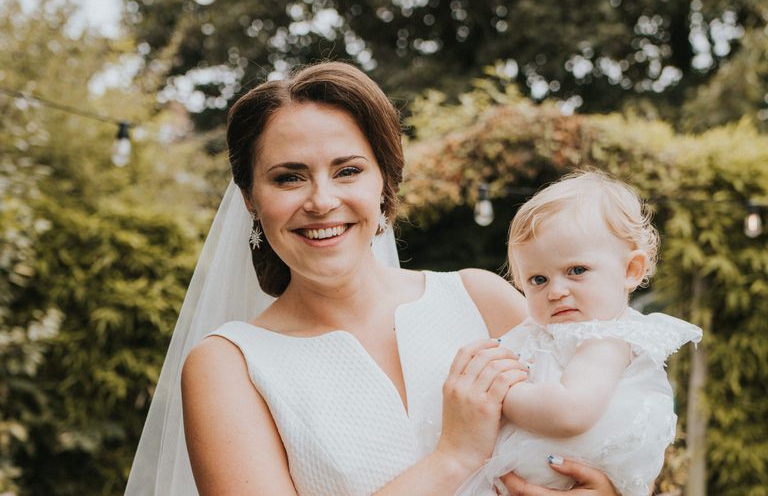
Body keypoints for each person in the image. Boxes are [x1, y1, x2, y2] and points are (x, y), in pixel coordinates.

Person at [125, 61, 622, 495]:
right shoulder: (228, 365)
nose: (321, 201)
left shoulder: (482, 300)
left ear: (384, 179)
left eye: (347, 171)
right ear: (251, 197)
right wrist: (454, 457)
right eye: (288, 177)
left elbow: (614, 428)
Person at [456, 171, 703, 496]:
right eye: (538, 280)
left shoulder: (607, 340)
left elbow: (569, 412)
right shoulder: (547, 332)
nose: (556, 291)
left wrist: (496, 391)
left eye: (577, 271)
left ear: (631, 270)